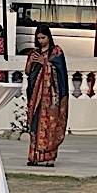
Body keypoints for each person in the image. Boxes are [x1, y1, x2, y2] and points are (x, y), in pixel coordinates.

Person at [24, 24, 69, 166]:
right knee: (35, 123)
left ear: (49, 37)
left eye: (43, 38)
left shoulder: (56, 52)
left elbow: (60, 72)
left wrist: (45, 63)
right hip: (35, 95)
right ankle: (34, 157)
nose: (41, 41)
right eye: (38, 38)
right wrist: (31, 62)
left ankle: (49, 158)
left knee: (50, 124)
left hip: (51, 97)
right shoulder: (34, 52)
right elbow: (27, 72)